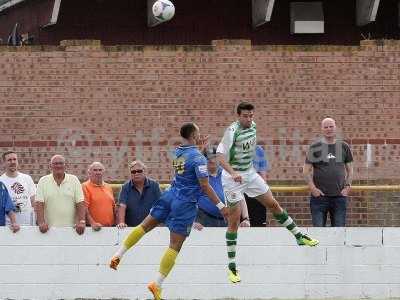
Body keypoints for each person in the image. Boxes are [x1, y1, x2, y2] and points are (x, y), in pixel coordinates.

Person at [109, 122, 228, 300]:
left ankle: (118, 254)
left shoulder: (178, 151)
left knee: (145, 226)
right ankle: (156, 284)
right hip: (185, 203)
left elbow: (189, 163)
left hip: (170, 195)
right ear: (194, 135)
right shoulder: (198, 158)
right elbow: (205, 186)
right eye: (198, 133)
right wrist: (222, 207)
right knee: (175, 245)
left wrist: (199, 149)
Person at [217, 101, 319, 284]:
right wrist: (233, 172)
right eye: (245, 116)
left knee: (273, 204)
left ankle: (299, 236)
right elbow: (220, 157)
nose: (249, 119)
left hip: (249, 174)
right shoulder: (231, 132)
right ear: (238, 116)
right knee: (234, 221)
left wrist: (249, 171)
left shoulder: (254, 126)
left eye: (251, 115)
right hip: (232, 179)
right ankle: (232, 268)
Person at [303, 117, 354, 227]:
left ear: (335, 128)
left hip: (339, 197)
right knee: (319, 233)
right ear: (322, 129)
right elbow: (306, 171)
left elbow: (350, 170)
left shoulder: (344, 146)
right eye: (325, 127)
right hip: (319, 198)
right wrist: (313, 189)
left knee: (339, 233)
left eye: (331, 126)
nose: (328, 129)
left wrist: (348, 186)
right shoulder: (315, 147)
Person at [193, 146, 250, 230]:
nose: (212, 160)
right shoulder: (199, 176)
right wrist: (192, 221)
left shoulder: (228, 174)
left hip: (227, 219)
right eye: (208, 158)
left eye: (214, 157)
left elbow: (240, 197)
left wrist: (245, 218)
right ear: (204, 160)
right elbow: (189, 199)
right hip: (203, 219)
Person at [36, 155, 86, 235]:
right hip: (49, 230)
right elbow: (39, 203)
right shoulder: (43, 181)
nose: (58, 166)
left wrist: (82, 221)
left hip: (72, 230)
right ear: (50, 166)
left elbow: (80, 202)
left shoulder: (74, 180)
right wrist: (41, 222)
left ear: (66, 166)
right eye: (55, 163)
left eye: (61, 163)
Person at [116, 160, 161, 228]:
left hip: (151, 228)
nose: (136, 173)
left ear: (145, 171)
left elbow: (160, 205)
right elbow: (122, 205)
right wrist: (121, 222)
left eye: (139, 171)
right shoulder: (125, 187)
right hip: (131, 228)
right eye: (133, 172)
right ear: (130, 174)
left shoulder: (154, 185)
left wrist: (161, 223)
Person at [1, 151, 36, 225]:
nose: (12, 162)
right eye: (9, 160)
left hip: (28, 224)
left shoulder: (27, 178)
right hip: (8, 226)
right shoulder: (1, 181)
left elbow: (34, 201)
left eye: (15, 159)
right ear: (3, 163)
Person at [82, 162, 116, 231]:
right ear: (89, 173)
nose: (98, 172)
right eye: (95, 170)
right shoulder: (85, 186)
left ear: (103, 172)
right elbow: (84, 209)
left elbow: (113, 207)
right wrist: (92, 223)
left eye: (100, 170)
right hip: (93, 229)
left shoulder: (108, 187)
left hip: (110, 228)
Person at [244, 145, 270, 227]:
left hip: (256, 193)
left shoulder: (258, 149)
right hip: (240, 193)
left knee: (259, 227)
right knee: (241, 226)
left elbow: (263, 175)